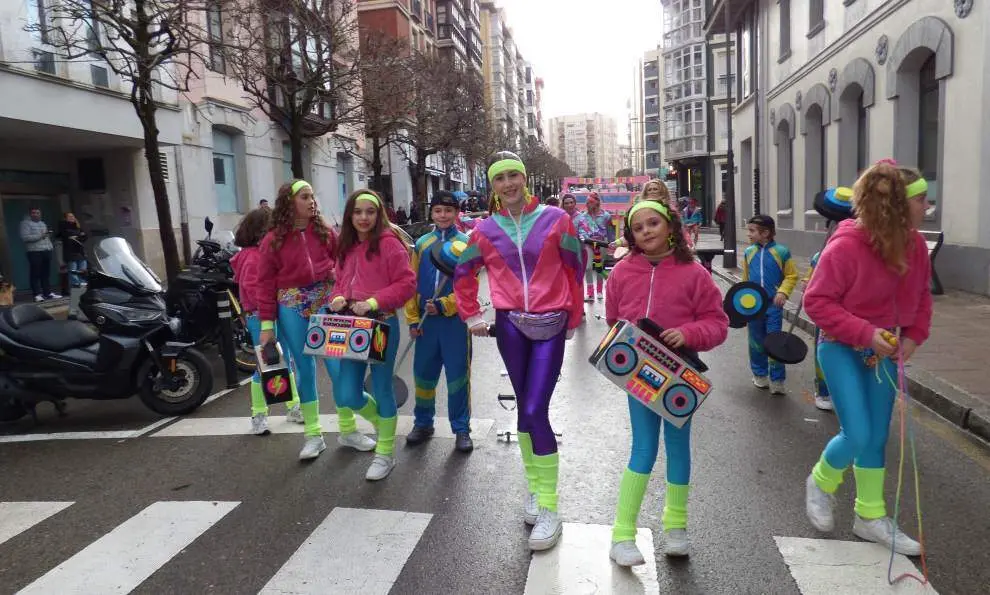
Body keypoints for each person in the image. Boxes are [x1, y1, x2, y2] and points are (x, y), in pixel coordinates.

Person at [454, 151, 584, 551]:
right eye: (499, 179)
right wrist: (472, 315)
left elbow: (575, 268)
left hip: (549, 324)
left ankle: (549, 506)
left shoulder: (555, 219)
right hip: (511, 325)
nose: (508, 184)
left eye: (513, 176)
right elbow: (463, 275)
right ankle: (536, 490)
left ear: (524, 178)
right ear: (492, 186)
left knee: (533, 410)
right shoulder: (484, 231)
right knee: (526, 407)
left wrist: (573, 317)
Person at [803, 160, 932, 556]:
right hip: (841, 346)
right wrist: (864, 333)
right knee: (856, 432)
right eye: (922, 200)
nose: (928, 207)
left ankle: (870, 517)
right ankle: (822, 481)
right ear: (895, 205)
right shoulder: (846, 246)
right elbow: (816, 302)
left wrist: (913, 336)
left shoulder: (916, 246)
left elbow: (923, 297)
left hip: (886, 351)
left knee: (876, 437)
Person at [606, 200, 728, 564]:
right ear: (632, 235)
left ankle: (676, 528)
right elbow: (613, 320)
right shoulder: (622, 272)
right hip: (639, 375)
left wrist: (688, 334)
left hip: (680, 378)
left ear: (671, 225)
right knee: (642, 448)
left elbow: (717, 323)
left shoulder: (695, 273)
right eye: (639, 227)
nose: (647, 231)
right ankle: (622, 535)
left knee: (678, 449)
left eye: (653, 223)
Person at [256, 180, 378, 461]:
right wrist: (266, 327)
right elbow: (263, 285)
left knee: (338, 368)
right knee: (305, 370)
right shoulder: (272, 240)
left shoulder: (325, 232)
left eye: (312, 196)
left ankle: (348, 430)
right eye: (304, 197)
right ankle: (313, 435)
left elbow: (345, 264)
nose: (312, 201)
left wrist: (347, 294)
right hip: (291, 307)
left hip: (327, 302)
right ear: (290, 203)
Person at [329, 189, 417, 481]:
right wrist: (339, 297)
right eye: (358, 212)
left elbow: (406, 284)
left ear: (379, 215)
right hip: (350, 327)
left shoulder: (390, 245)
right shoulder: (346, 246)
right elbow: (341, 281)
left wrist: (374, 302)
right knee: (346, 394)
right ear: (349, 215)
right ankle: (383, 428)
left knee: (382, 388)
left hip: (381, 325)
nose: (363, 218)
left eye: (370, 211)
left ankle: (385, 453)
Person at [404, 191, 473, 453]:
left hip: (454, 323)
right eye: (438, 211)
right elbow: (411, 283)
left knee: (457, 377)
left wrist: (445, 305)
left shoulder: (467, 244)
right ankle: (423, 423)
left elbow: (469, 287)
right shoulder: (421, 244)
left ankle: (462, 428)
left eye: (448, 210)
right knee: (423, 375)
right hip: (425, 323)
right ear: (431, 213)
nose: (443, 215)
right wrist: (412, 318)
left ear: (457, 213)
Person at [230, 208, 304, 434]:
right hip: (262, 318)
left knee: (282, 361)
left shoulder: (253, 255)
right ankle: (259, 415)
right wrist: (268, 319)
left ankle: (292, 407)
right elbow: (257, 292)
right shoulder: (254, 258)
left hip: (265, 316)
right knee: (265, 366)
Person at [742, 215, 798, 395]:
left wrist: (783, 292)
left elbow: (791, 275)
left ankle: (777, 379)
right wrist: (741, 303)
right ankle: (760, 375)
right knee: (755, 341)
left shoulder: (782, 252)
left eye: (752, 231)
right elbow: (745, 281)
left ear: (765, 233)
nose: (748, 234)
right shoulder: (748, 252)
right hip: (753, 307)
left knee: (775, 341)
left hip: (773, 306)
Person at [574, 192, 615, 302]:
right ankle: (590, 292)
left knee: (599, 268)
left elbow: (610, 231)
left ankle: (600, 291)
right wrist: (583, 239)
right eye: (587, 202)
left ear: (597, 203)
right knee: (588, 268)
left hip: (602, 244)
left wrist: (612, 244)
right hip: (588, 244)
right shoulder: (583, 216)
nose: (588, 204)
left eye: (590, 202)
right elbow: (580, 230)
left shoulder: (606, 216)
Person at [19, 208, 60, 302]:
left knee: (46, 274)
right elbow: (25, 238)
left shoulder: (42, 223)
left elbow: (46, 237)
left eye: (37, 213)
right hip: (34, 251)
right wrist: (41, 236)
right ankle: (37, 294)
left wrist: (50, 247)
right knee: (35, 273)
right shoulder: (25, 223)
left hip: (46, 250)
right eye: (33, 213)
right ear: (30, 214)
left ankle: (47, 293)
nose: (36, 214)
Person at [57, 212, 88, 288]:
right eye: (69, 217)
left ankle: (83, 285)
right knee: (73, 270)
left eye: (73, 216)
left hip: (80, 251)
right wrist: (77, 236)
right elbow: (65, 236)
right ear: (65, 219)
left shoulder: (78, 227)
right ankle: (76, 286)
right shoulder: (63, 227)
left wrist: (77, 237)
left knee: (83, 269)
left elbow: (84, 237)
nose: (72, 218)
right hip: (70, 252)